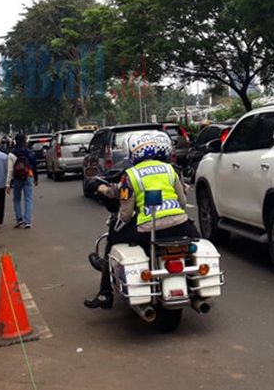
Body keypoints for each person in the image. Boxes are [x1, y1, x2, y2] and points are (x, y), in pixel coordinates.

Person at [84, 131, 198, 309]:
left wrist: (102, 190)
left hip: (148, 230)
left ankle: (105, 293)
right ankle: (193, 279)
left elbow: (126, 214)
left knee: (114, 234)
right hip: (180, 227)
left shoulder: (130, 175)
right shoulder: (170, 170)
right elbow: (182, 201)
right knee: (197, 240)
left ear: (132, 152)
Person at [6, 134, 38, 229]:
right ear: (25, 141)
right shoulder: (30, 153)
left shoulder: (12, 154)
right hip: (28, 176)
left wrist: (7, 184)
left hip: (17, 178)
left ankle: (19, 219)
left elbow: (10, 170)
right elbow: (34, 167)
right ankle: (27, 221)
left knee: (16, 199)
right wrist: (36, 178)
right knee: (28, 198)